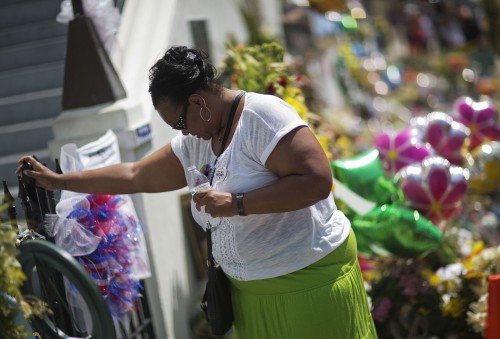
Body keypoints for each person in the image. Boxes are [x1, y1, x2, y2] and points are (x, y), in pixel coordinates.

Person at [17, 46, 377, 338]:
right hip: (252, 296)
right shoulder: (196, 143)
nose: (182, 132)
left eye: (178, 122)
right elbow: (134, 174)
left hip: (308, 286)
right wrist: (60, 181)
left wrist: (237, 204)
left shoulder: (263, 117)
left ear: (198, 102)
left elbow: (316, 180)